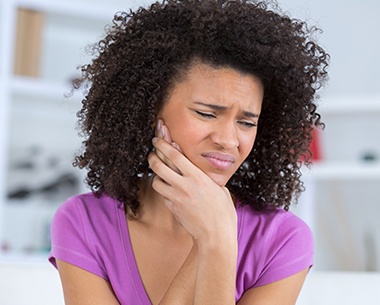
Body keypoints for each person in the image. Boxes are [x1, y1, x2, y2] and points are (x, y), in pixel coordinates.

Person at [49, 0, 329, 304]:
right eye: (207, 114)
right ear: (150, 111)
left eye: (246, 122)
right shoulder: (84, 223)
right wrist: (211, 238)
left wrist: (217, 242)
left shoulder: (281, 239)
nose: (228, 140)